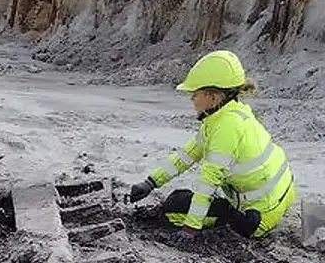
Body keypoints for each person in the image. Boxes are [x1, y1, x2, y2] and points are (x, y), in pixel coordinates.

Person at [127, 51, 297, 236]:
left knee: (173, 209)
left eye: (195, 93)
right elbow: (186, 155)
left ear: (213, 98)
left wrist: (190, 227)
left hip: (258, 216)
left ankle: (232, 218)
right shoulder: (227, 116)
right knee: (180, 200)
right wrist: (150, 182)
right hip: (280, 196)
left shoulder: (226, 129)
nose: (192, 98)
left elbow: (208, 184)